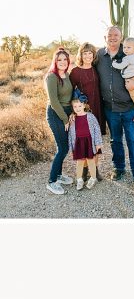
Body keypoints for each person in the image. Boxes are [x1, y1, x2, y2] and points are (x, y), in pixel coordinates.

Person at [96, 26, 134, 189]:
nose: (112, 37)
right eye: (109, 35)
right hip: (110, 108)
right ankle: (119, 168)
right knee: (115, 140)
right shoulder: (99, 55)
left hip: (129, 107)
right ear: (104, 37)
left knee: (133, 140)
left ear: (121, 37)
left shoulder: (129, 52)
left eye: (116, 35)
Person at [70, 42, 105, 180]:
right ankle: (84, 170)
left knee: (95, 139)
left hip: (97, 109)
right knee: (84, 140)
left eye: (90, 53)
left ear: (93, 54)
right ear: (81, 55)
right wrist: (73, 112)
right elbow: (71, 93)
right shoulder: (75, 72)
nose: (88, 55)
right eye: (85, 53)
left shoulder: (96, 69)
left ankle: (95, 170)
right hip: (83, 112)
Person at [44, 47, 74, 196]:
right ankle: (51, 181)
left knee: (64, 147)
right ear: (55, 61)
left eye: (65, 59)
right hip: (56, 114)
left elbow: (71, 96)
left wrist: (73, 113)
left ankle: (59, 175)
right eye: (59, 59)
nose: (62, 62)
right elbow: (54, 101)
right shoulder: (51, 77)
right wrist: (65, 119)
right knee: (63, 148)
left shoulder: (67, 75)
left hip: (67, 113)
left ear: (68, 61)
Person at [68, 91, 103, 190]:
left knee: (91, 161)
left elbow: (97, 130)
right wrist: (71, 148)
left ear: (83, 105)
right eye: (75, 107)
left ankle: (93, 178)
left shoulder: (90, 117)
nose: (77, 108)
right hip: (78, 142)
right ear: (73, 108)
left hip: (89, 142)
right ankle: (79, 179)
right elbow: (70, 135)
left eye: (79, 106)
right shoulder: (73, 119)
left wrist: (98, 143)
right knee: (80, 162)